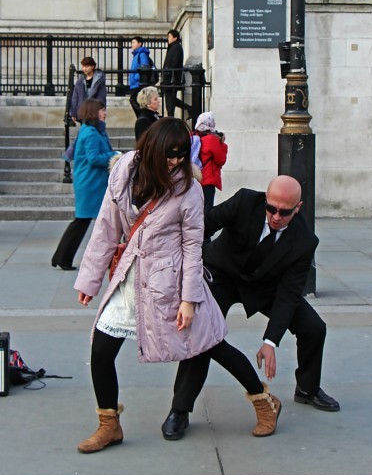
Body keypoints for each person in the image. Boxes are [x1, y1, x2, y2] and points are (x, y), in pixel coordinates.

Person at [73, 118, 281, 454]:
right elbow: (107, 226)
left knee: (212, 344)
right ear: (151, 148)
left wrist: (189, 300)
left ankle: (263, 401)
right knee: (101, 350)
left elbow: (192, 247)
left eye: (182, 154)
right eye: (170, 154)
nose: (175, 161)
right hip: (129, 277)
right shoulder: (126, 170)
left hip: (171, 282)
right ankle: (108, 424)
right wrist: (90, 278)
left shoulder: (189, 189)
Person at [161, 175, 340, 441]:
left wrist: (271, 341)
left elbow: (289, 295)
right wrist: (191, 264)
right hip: (221, 275)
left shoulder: (305, 241)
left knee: (314, 328)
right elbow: (201, 226)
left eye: (285, 212)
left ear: (298, 208)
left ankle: (307, 388)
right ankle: (180, 410)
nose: (276, 216)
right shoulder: (245, 201)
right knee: (202, 335)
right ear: (265, 200)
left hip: (265, 286)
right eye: (271, 208)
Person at [51, 99, 119, 270]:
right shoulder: (90, 133)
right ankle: (63, 257)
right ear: (94, 112)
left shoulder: (94, 131)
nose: (105, 113)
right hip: (90, 183)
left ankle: (61, 257)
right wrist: (115, 154)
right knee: (85, 221)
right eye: (102, 110)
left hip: (93, 182)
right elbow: (94, 158)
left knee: (86, 221)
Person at [194, 111, 228, 213]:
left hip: (196, 178)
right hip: (207, 180)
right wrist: (222, 144)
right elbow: (221, 160)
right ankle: (204, 229)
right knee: (206, 210)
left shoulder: (195, 136)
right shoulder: (211, 139)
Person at [161, 29, 191, 117]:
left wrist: (168, 73)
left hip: (171, 78)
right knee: (171, 99)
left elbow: (174, 63)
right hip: (169, 77)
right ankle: (189, 109)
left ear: (175, 38)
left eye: (169, 36)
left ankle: (171, 118)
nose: (168, 39)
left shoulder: (177, 47)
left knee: (170, 101)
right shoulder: (173, 47)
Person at [69, 57, 106, 123]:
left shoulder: (99, 80)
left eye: (86, 66)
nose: (84, 69)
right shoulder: (80, 80)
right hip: (83, 111)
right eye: (83, 66)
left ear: (92, 67)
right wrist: (73, 113)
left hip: (94, 111)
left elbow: (101, 97)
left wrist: (100, 111)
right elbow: (75, 97)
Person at [129, 36, 151, 117]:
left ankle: (142, 117)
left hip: (138, 83)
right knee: (136, 101)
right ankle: (142, 117)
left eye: (134, 42)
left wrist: (136, 78)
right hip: (136, 83)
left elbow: (144, 67)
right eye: (132, 43)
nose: (132, 44)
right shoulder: (136, 55)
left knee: (133, 100)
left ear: (140, 44)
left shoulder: (142, 54)